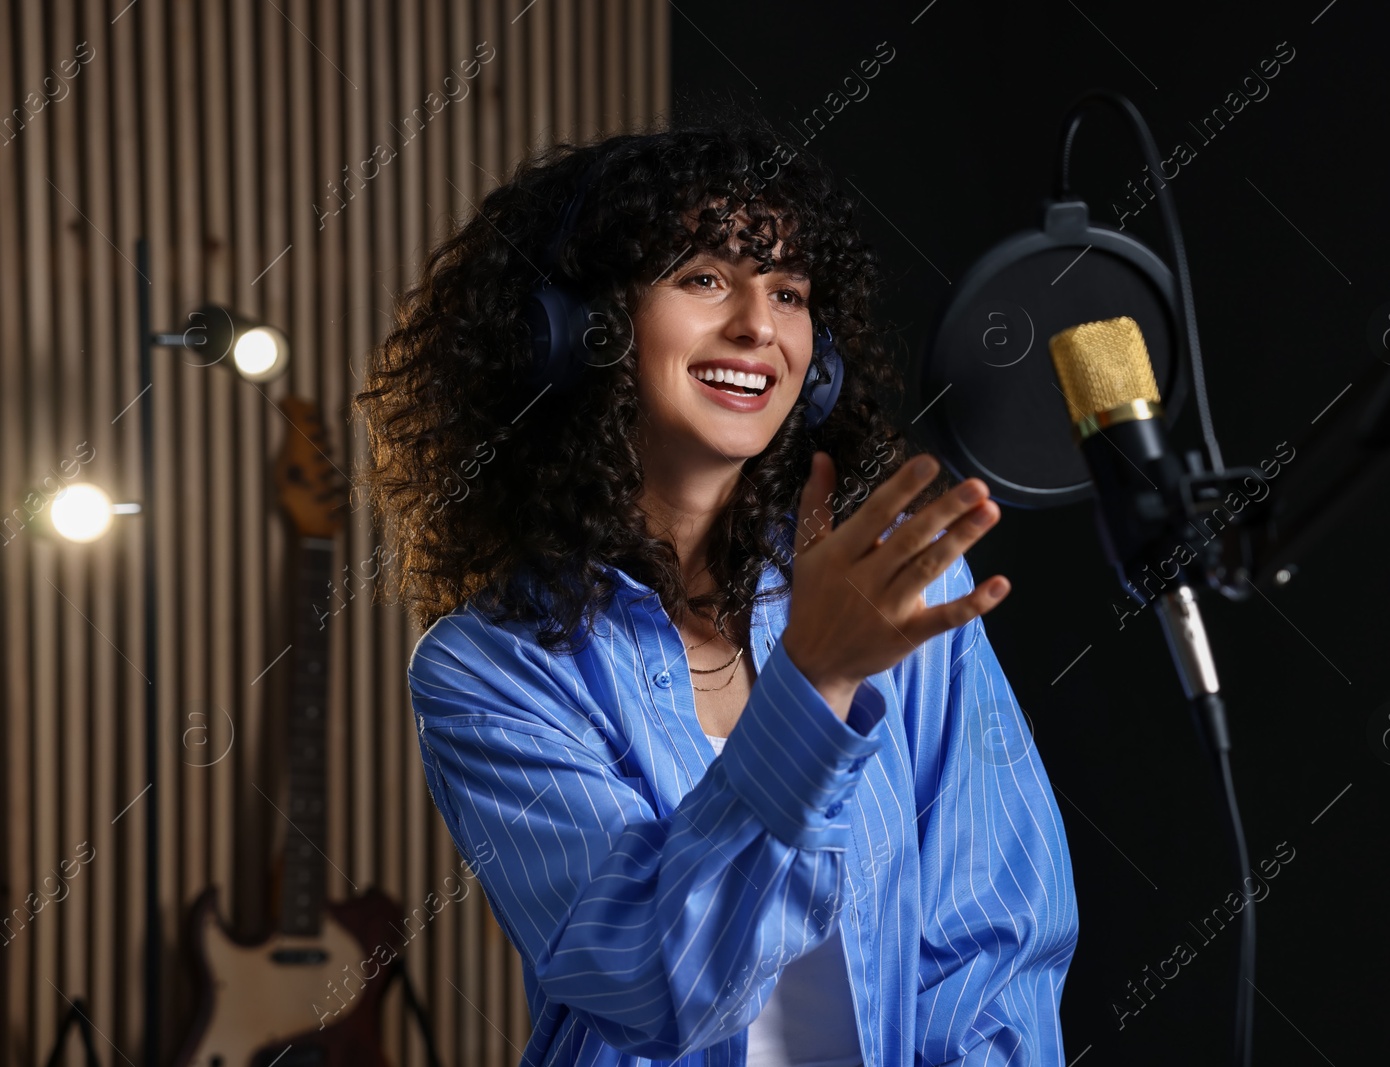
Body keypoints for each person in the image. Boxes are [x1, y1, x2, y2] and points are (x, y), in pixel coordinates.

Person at [354, 110, 1079, 1067]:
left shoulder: (904, 581)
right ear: (577, 328)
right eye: (704, 279)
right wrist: (813, 683)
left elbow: (996, 942)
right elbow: (659, 980)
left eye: (788, 291)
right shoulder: (490, 666)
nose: (757, 328)